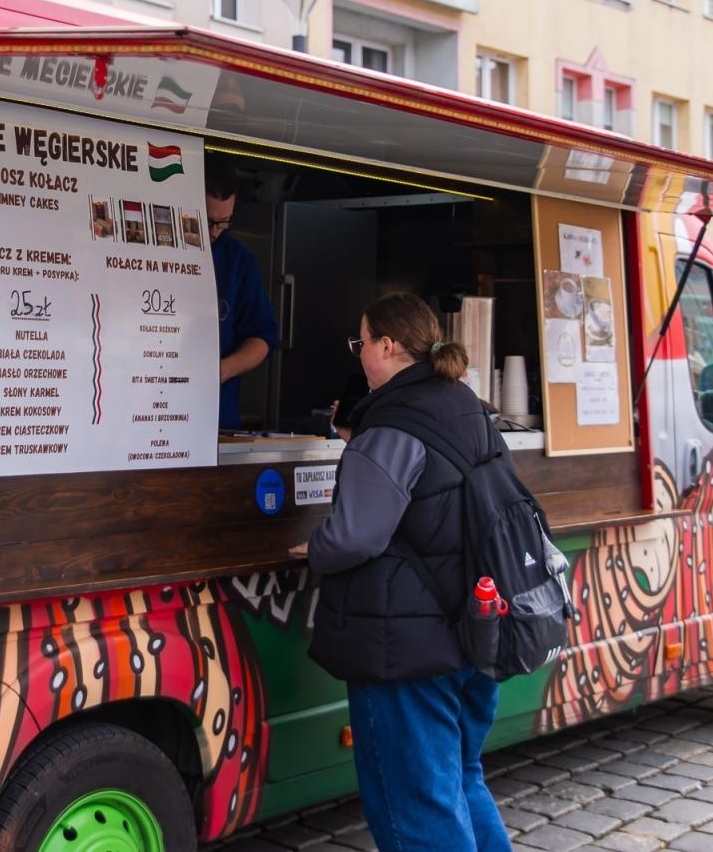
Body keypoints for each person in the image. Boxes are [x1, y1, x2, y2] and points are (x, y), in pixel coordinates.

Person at [293, 293, 513, 852]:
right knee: (461, 781)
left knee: (417, 810)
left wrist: (314, 548)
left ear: (387, 346)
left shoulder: (391, 424)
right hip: (474, 630)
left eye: (361, 341)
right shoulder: (466, 404)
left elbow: (355, 535)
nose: (359, 352)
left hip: (407, 651)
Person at [206, 156, 279, 429]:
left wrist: (223, 370)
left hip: (217, 418)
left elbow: (262, 336)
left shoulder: (238, 260)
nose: (215, 232)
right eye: (207, 220)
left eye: (223, 222)